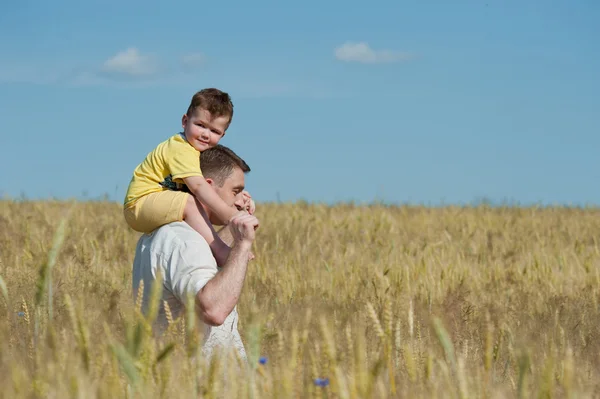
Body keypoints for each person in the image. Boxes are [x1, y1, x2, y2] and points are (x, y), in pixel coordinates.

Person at [131, 144, 258, 361]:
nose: (240, 199)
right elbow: (214, 310)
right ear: (208, 186)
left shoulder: (170, 234)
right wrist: (243, 245)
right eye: (235, 191)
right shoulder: (183, 241)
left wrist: (238, 218)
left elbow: (209, 251)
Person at [123, 88, 243, 268]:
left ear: (222, 135)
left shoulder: (194, 153)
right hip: (139, 203)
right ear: (185, 121)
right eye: (200, 125)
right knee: (189, 201)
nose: (205, 134)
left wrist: (240, 206)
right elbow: (199, 187)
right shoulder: (181, 148)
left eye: (214, 131)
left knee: (193, 204)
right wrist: (229, 215)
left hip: (152, 204)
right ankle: (219, 250)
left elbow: (206, 209)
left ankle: (215, 248)